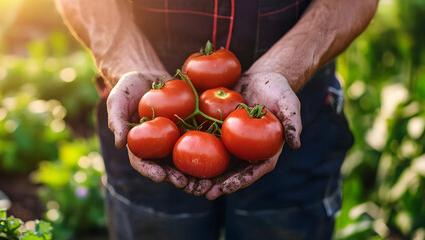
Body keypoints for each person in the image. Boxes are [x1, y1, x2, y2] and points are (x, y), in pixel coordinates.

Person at [55, 0, 377, 239]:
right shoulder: (166, 113)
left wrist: (283, 69)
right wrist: (127, 62)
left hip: (295, 96)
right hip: (142, 92)